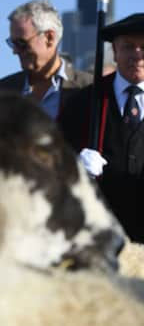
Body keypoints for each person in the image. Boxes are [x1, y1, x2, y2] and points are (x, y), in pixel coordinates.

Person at [58, 13, 144, 242]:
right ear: (115, 52)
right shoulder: (84, 103)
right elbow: (54, 161)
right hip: (101, 236)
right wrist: (75, 165)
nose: (137, 55)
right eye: (128, 46)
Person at [0, 0, 92, 119]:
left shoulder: (88, 87)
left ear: (49, 38)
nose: (15, 51)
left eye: (21, 43)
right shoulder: (3, 90)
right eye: (12, 43)